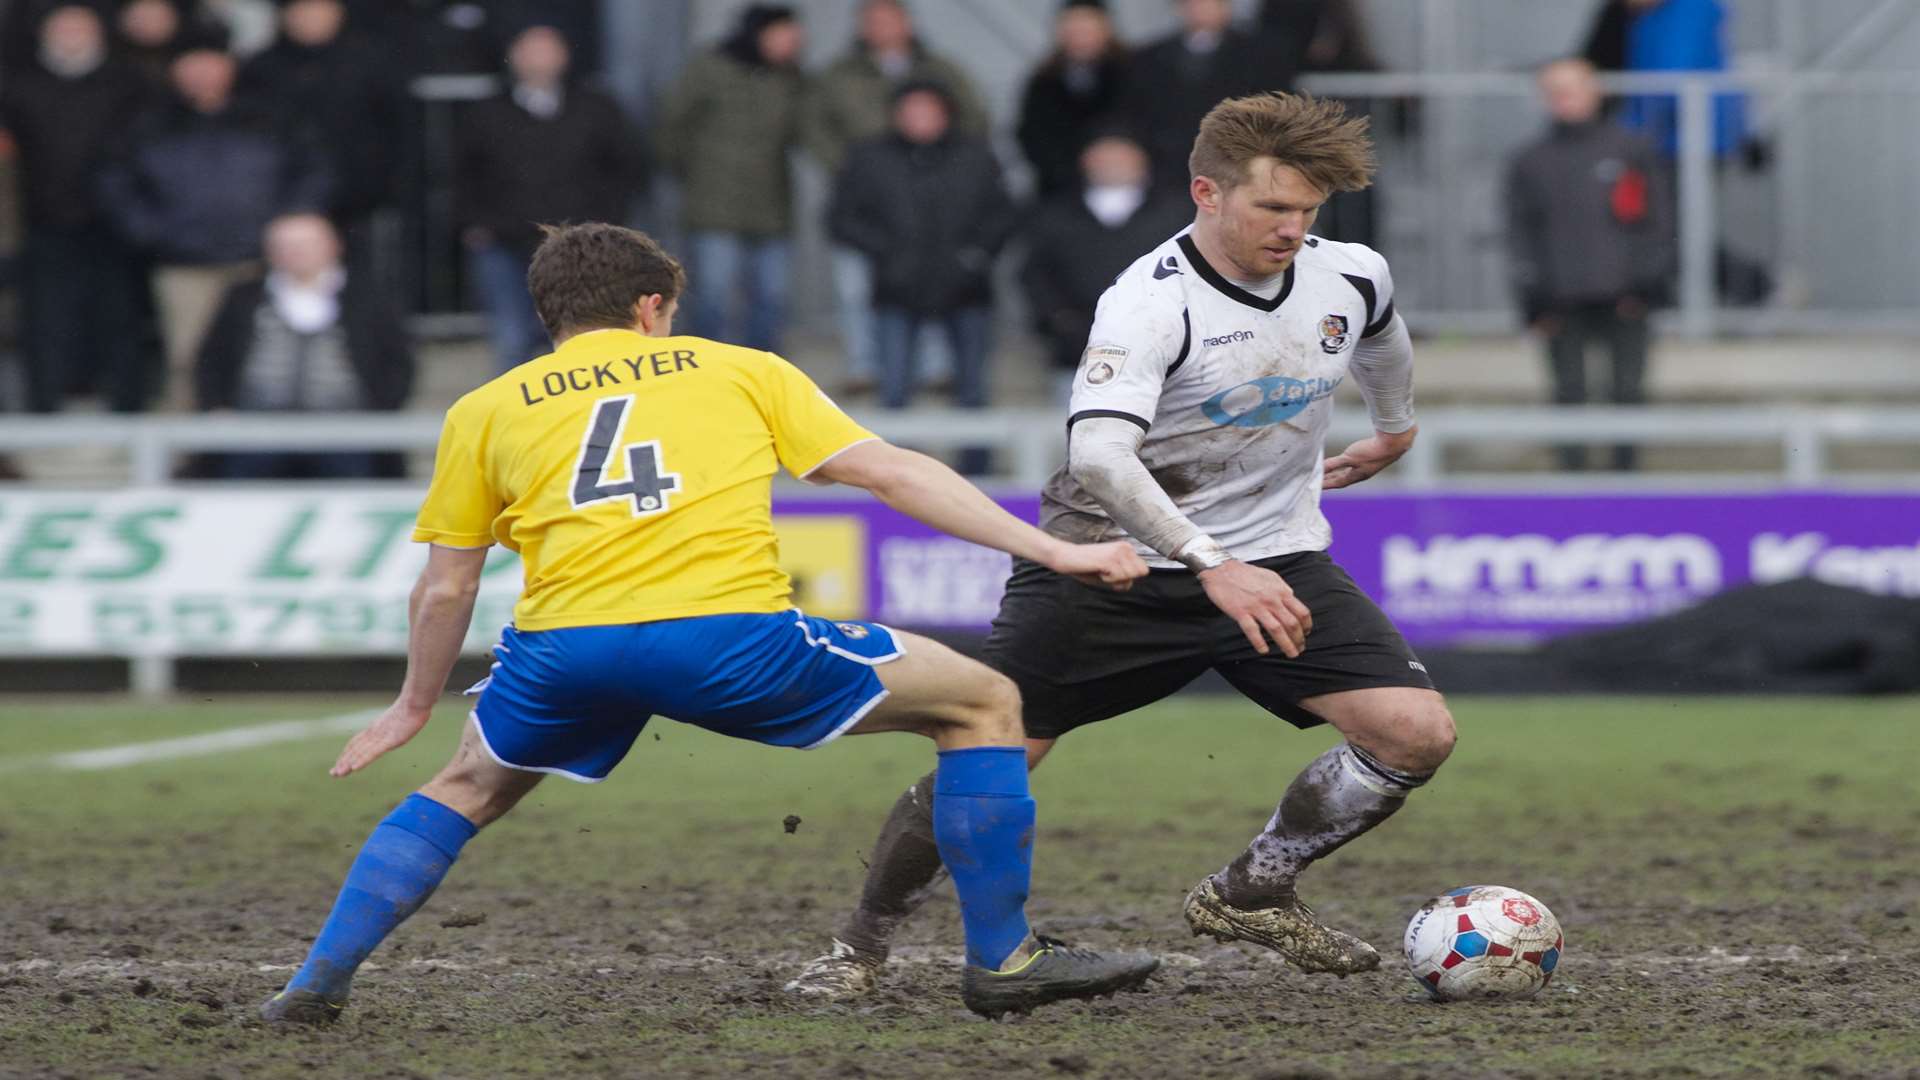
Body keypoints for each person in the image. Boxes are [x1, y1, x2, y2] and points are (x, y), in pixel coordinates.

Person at [255, 223, 1158, 1025]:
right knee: (986, 702)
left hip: (565, 651)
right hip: (725, 642)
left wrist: (413, 705)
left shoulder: (484, 409)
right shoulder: (740, 368)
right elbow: (891, 473)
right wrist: (1057, 551)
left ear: (550, 316)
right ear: (651, 306)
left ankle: (317, 982)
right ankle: (1005, 959)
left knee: (466, 786)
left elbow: (446, 589)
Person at [789, 92, 1456, 1000]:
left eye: (1306, 210)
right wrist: (1209, 564)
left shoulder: (1353, 273)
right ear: (1206, 193)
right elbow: (1098, 455)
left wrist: (1396, 427)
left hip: (1272, 555)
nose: (1293, 229)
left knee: (1416, 734)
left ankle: (1252, 890)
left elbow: (1380, 338)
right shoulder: (1148, 303)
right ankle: (858, 951)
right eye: (1271, 208)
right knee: (990, 753)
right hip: (1110, 561)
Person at [95, 23, 332, 410]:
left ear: (229, 66)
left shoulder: (270, 117)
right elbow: (116, 183)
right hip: (184, 264)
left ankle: (256, 453)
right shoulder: (148, 122)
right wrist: (153, 233)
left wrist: (288, 229)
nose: (203, 71)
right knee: (188, 358)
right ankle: (191, 455)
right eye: (192, 62)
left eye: (212, 61)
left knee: (263, 358)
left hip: (263, 261)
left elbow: (312, 170)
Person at [802, 0, 985, 396]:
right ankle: (864, 366)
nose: (881, 28)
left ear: (907, 22)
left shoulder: (939, 68)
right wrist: (850, 168)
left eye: (889, 19)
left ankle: (935, 369)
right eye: (872, 20)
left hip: (931, 196)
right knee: (855, 288)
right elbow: (814, 125)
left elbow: (973, 115)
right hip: (866, 196)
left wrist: (948, 159)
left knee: (936, 280)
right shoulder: (840, 73)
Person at [1507, 58, 1672, 471]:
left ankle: (1627, 478)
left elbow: (1657, 221)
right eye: (1556, 90)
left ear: (1595, 90)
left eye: (1574, 87)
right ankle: (1572, 482)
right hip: (1560, 298)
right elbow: (1521, 232)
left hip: (1624, 295)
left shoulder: (1630, 150)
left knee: (1627, 392)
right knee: (1569, 393)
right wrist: (1534, 300)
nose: (1565, 98)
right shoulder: (1530, 160)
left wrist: (1646, 285)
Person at [456, 23, 650, 373]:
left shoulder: (596, 107)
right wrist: (475, 222)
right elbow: (461, 172)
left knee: (577, 338)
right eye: (530, 49)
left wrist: (607, 222)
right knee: (510, 337)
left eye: (547, 49)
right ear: (513, 56)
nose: (539, 59)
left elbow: (627, 167)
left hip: (580, 248)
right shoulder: (487, 111)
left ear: (565, 55)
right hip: (503, 239)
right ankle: (516, 421)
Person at [0, 3, 156, 412]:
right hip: (43, 225)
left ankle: (128, 410)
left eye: (79, 29)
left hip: (115, 226)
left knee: (120, 321)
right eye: (62, 29)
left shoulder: (128, 85)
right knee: (44, 323)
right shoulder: (19, 88)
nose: (71, 37)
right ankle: (43, 410)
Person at [827, 81, 1015, 418]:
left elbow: (1002, 214)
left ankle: (973, 466)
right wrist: (885, 252)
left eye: (929, 110)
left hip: (966, 287)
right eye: (911, 110)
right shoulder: (869, 156)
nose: (920, 118)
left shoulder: (975, 155)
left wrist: (976, 256)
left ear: (947, 115)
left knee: (972, 391)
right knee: (894, 389)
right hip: (896, 286)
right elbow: (842, 217)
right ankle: (895, 470)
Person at [194, 213, 414, 478]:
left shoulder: (367, 297)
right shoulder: (244, 297)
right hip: (255, 430)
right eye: (286, 246)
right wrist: (217, 408)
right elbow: (211, 358)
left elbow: (398, 363)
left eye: (305, 244)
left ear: (334, 246)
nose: (296, 253)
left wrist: (377, 412)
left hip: (346, 432)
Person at [659, 4, 805, 353]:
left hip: (771, 209)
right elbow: (670, 127)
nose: (794, 44)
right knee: (713, 296)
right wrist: (693, 174)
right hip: (715, 208)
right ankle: (706, 367)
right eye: (786, 35)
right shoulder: (709, 69)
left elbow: (802, 132)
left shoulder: (791, 79)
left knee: (773, 297)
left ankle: (761, 369)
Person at [1020, 133, 1190, 401]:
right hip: (1077, 352)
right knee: (1079, 433)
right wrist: (1060, 321)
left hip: (1162, 353)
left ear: (1142, 159)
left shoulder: (1177, 213)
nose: (1112, 163)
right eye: (1104, 155)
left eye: (1121, 155)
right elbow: (1035, 274)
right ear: (1085, 160)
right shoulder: (1056, 214)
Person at [242, 0, 405, 235]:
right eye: (302, 10)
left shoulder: (372, 61)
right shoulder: (261, 68)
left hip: (362, 193)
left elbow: (396, 128)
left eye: (319, 9)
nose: (311, 18)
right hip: (285, 192)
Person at [1122, 0, 1282, 195]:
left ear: (1226, 8)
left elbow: (1271, 105)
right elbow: (1135, 109)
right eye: (1193, 4)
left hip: (1234, 155)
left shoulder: (1261, 54)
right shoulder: (1148, 56)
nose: (1201, 10)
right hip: (1164, 158)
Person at [1015, 0, 1130, 202]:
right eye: (1072, 27)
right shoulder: (1043, 82)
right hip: (1060, 189)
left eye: (1087, 27)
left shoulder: (1135, 73)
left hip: (1126, 182)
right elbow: (1031, 135)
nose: (1080, 35)